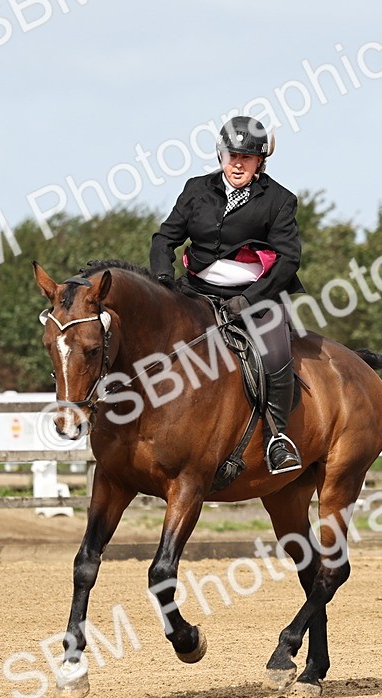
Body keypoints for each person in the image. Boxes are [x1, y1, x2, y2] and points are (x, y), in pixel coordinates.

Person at [150, 115, 304, 474]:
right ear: (221, 154)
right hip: (196, 290)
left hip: (256, 296)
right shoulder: (196, 189)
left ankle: (277, 438)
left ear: (260, 162)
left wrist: (250, 299)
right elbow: (165, 238)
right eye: (232, 155)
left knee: (277, 356)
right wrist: (162, 277)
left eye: (246, 158)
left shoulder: (280, 200)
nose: (237, 164)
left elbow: (289, 260)